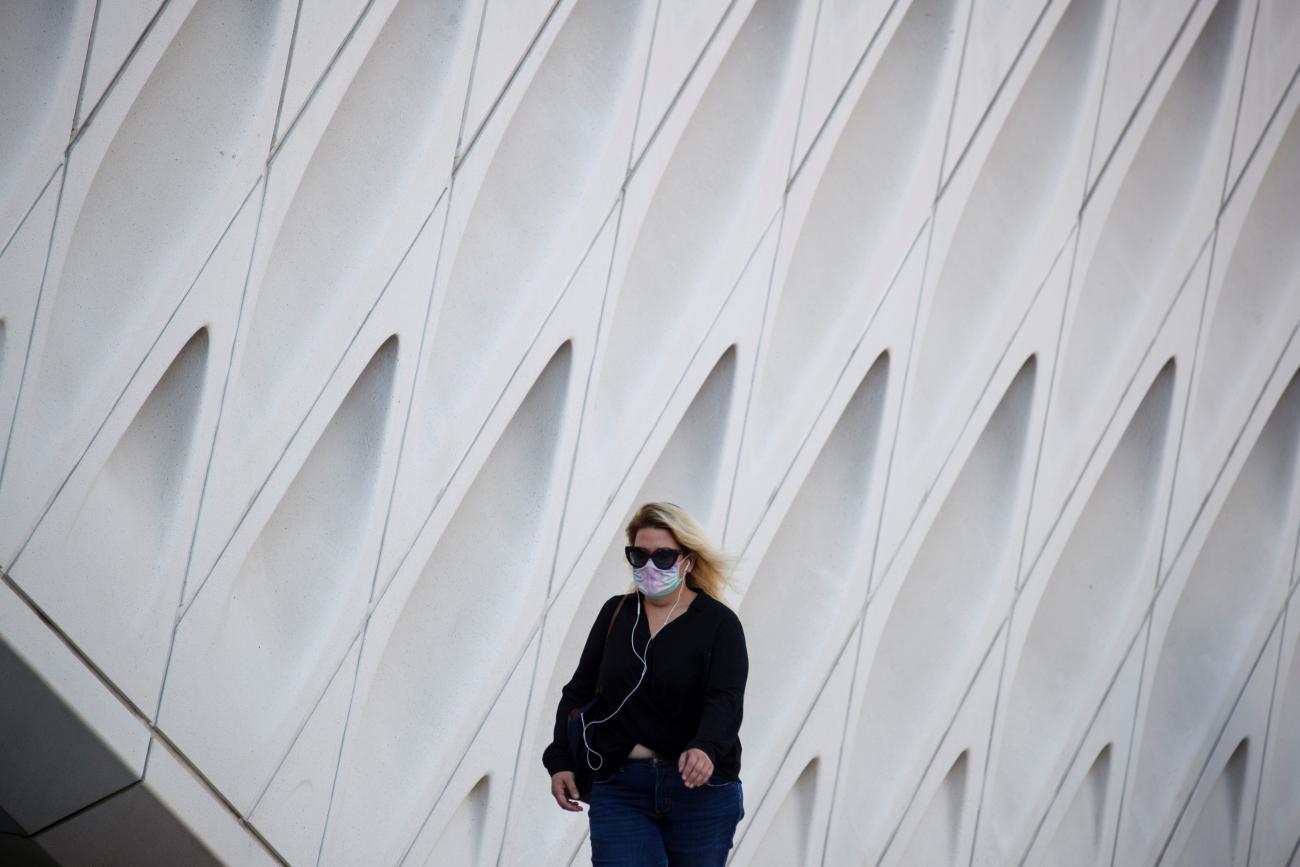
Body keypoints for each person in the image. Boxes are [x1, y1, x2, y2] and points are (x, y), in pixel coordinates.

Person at [543, 502, 748, 866]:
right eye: (638, 555)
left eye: (664, 557)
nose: (650, 566)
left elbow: (725, 698)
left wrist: (704, 747)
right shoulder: (616, 613)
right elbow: (577, 692)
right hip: (621, 786)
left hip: (698, 791)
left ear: (688, 560)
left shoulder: (719, 623)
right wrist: (560, 760)